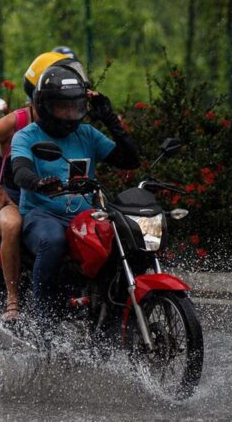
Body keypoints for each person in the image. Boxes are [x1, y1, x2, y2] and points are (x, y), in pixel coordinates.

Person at [11, 63, 139, 320]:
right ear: (45, 105)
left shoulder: (88, 134)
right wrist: (38, 183)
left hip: (85, 217)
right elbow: (20, 171)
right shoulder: (26, 136)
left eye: (76, 106)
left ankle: (111, 313)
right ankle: (43, 320)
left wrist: (110, 119)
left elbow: (129, 160)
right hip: (42, 215)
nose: (70, 113)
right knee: (53, 241)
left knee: (122, 240)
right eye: (63, 106)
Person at [0, 51, 72, 322]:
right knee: (11, 226)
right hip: (13, 197)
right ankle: (13, 300)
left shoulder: (69, 122)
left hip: (52, 197)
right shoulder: (17, 121)